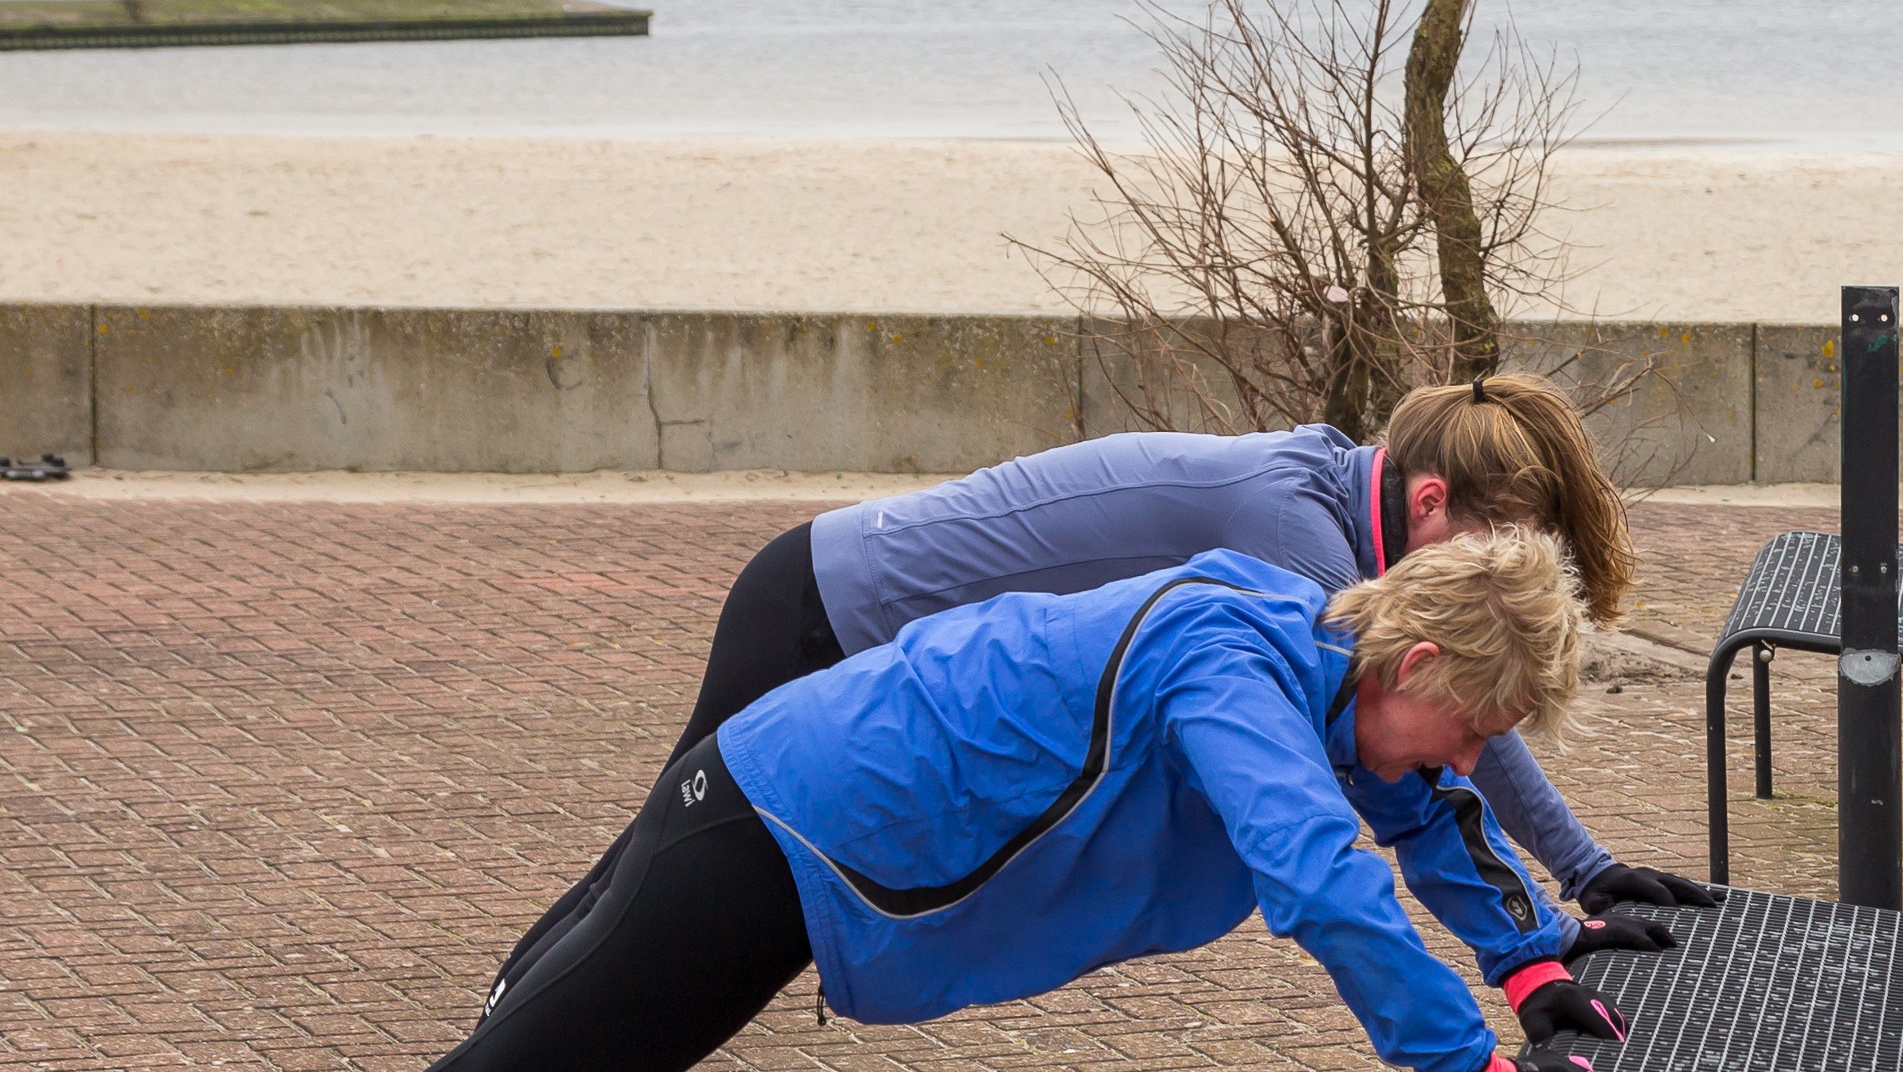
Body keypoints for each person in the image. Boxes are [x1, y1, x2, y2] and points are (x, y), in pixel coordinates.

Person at [488, 376, 1712, 1010]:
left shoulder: (1334, 496)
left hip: (848, 604)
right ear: (1432, 505)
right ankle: (518, 1009)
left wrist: (1578, 874)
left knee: (668, 892)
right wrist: (1564, 885)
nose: (1489, 579)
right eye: (1490, 548)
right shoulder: (1301, 548)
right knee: (654, 875)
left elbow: (1449, 718)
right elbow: (1422, 736)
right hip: (826, 608)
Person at [432, 530, 1640, 1072]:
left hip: (810, 839)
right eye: (1476, 730)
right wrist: (1459, 1064)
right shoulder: (1228, 659)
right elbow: (1321, 877)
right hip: (769, 824)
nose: (1473, 762)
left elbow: (1420, 805)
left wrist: (1529, 965)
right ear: (1417, 663)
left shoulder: (1335, 669)